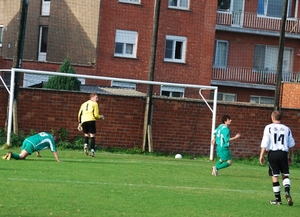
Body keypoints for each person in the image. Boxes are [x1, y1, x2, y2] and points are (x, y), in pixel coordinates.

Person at [259, 110, 295, 206]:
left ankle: (278, 199)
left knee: (275, 175)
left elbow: (265, 141)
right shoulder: (287, 129)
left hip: (273, 153)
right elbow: (291, 145)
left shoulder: (268, 128)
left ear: (272, 117)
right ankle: (287, 192)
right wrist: (290, 156)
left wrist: (261, 154)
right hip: (283, 153)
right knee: (285, 174)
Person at [78, 93, 104, 157]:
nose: (97, 99)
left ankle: (86, 145)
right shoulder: (94, 104)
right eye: (96, 98)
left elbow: (79, 114)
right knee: (92, 136)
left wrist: (79, 123)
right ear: (92, 97)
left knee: (86, 134)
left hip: (83, 120)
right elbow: (96, 115)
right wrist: (101, 117)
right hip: (91, 120)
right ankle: (92, 151)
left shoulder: (83, 104)